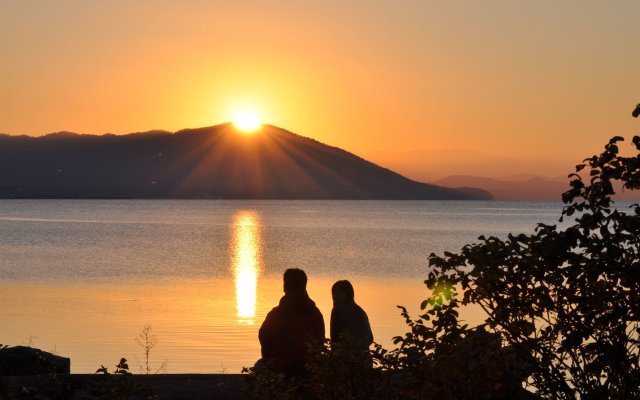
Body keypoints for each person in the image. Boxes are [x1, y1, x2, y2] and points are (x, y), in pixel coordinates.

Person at [258, 268, 325, 377]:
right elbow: (320, 340)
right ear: (304, 286)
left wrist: (272, 356)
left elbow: (264, 337)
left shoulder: (276, 314)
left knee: (259, 366)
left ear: (285, 287)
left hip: (282, 368)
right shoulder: (316, 314)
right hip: (309, 368)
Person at [330, 280, 373, 351]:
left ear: (348, 294)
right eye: (334, 293)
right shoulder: (361, 311)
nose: (335, 296)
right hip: (365, 358)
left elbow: (334, 338)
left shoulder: (337, 309)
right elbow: (370, 339)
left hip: (348, 358)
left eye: (340, 293)